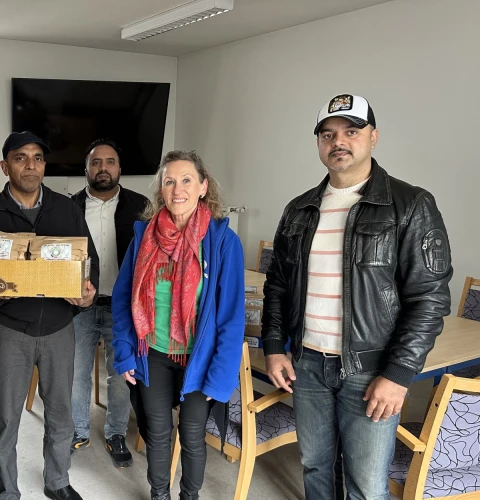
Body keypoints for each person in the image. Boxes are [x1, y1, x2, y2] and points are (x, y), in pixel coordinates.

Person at [262, 94, 453, 499]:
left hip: (371, 371)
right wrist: (275, 346)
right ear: (319, 143)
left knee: (366, 485)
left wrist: (398, 374)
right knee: (315, 467)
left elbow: (429, 298)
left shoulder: (410, 205)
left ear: (373, 137)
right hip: (307, 365)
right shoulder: (299, 209)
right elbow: (277, 284)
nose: (339, 142)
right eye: (328, 134)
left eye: (351, 131)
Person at [112, 150, 245, 500]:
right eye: (169, 181)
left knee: (192, 435)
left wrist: (221, 376)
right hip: (152, 352)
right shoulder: (144, 236)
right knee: (157, 434)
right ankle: (160, 494)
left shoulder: (222, 241)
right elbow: (123, 298)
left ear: (203, 187)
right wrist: (124, 351)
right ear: (161, 190)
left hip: (199, 359)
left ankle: (190, 496)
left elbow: (231, 317)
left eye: (187, 180)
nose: (177, 189)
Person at [0, 131, 99, 500]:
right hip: (10, 330)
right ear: (5, 166)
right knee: (4, 417)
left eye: (38, 158)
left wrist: (87, 294)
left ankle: (57, 481)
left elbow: (88, 262)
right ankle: (6, 490)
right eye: (21, 158)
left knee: (61, 413)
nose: (30, 165)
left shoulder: (66, 209)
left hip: (59, 328)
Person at [69, 139, 148, 467]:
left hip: (124, 307)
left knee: (120, 375)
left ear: (119, 169)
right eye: (96, 162)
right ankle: (78, 431)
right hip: (80, 304)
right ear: (86, 169)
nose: (103, 168)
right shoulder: (68, 207)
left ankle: (116, 433)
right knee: (76, 372)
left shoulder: (141, 206)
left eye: (110, 162)